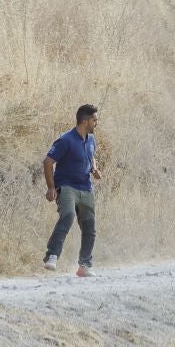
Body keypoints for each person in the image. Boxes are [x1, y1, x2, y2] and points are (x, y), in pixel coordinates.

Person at [42, 104, 101, 277]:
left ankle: (84, 265)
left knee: (89, 227)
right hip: (66, 186)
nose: (96, 123)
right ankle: (51, 256)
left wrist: (94, 169)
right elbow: (47, 162)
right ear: (85, 121)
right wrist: (51, 187)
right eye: (94, 120)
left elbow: (91, 156)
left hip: (86, 187)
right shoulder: (65, 140)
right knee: (67, 215)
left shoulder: (91, 140)